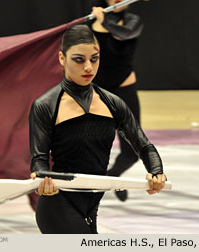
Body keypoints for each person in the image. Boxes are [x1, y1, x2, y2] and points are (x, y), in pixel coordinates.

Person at [29, 24, 166, 234]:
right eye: (79, 59)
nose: (88, 68)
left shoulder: (112, 103)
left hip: (91, 208)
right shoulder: (46, 105)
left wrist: (156, 171)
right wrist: (40, 178)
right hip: (58, 205)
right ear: (62, 58)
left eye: (94, 59)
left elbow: (144, 146)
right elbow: (39, 159)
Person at [90, 0, 144, 201]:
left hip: (124, 89)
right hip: (97, 93)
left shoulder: (132, 21)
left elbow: (124, 34)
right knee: (90, 146)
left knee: (133, 149)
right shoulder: (89, 23)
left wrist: (104, 22)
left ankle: (112, 177)